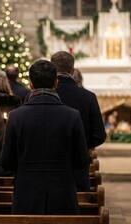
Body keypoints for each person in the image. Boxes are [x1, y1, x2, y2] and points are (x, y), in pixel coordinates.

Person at [1, 60, 89, 215]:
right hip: (63, 193)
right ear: (55, 83)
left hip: (26, 193)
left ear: (30, 85)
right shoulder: (72, 116)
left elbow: (7, 162)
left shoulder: (16, 116)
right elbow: (81, 160)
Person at [51, 51, 106, 191]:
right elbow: (99, 135)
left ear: (52, 68)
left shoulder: (40, 96)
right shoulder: (88, 97)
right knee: (77, 207)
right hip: (77, 166)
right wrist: (83, 145)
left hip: (49, 167)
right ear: (72, 70)